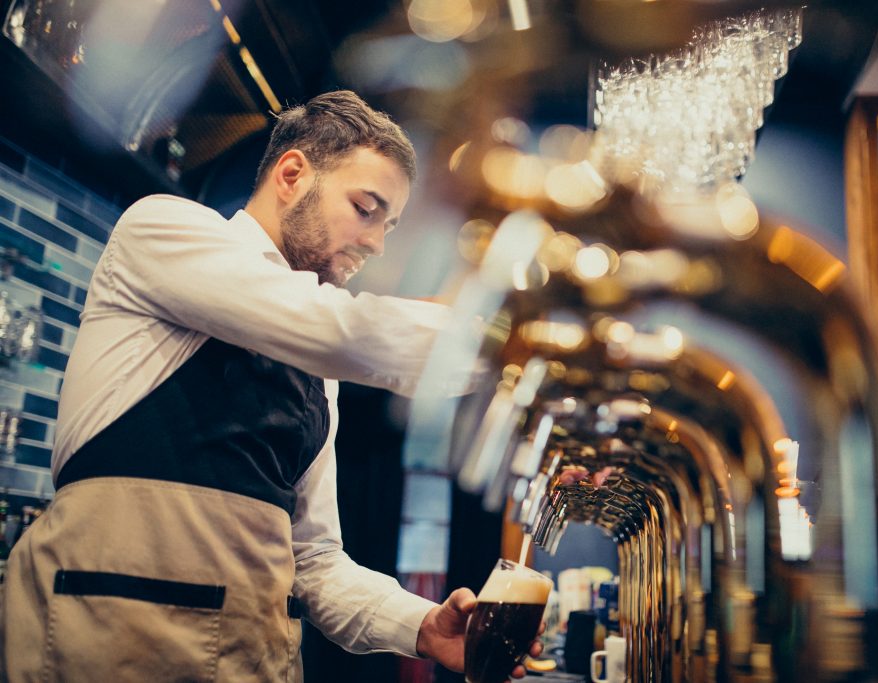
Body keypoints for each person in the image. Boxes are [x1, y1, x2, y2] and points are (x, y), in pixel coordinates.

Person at [0, 90, 540, 681]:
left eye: (388, 225)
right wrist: (516, 336)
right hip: (105, 645)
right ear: (291, 174)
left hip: (251, 661)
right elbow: (339, 330)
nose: (376, 243)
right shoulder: (163, 229)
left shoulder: (316, 371)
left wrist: (421, 625)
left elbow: (313, 560)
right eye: (366, 208)